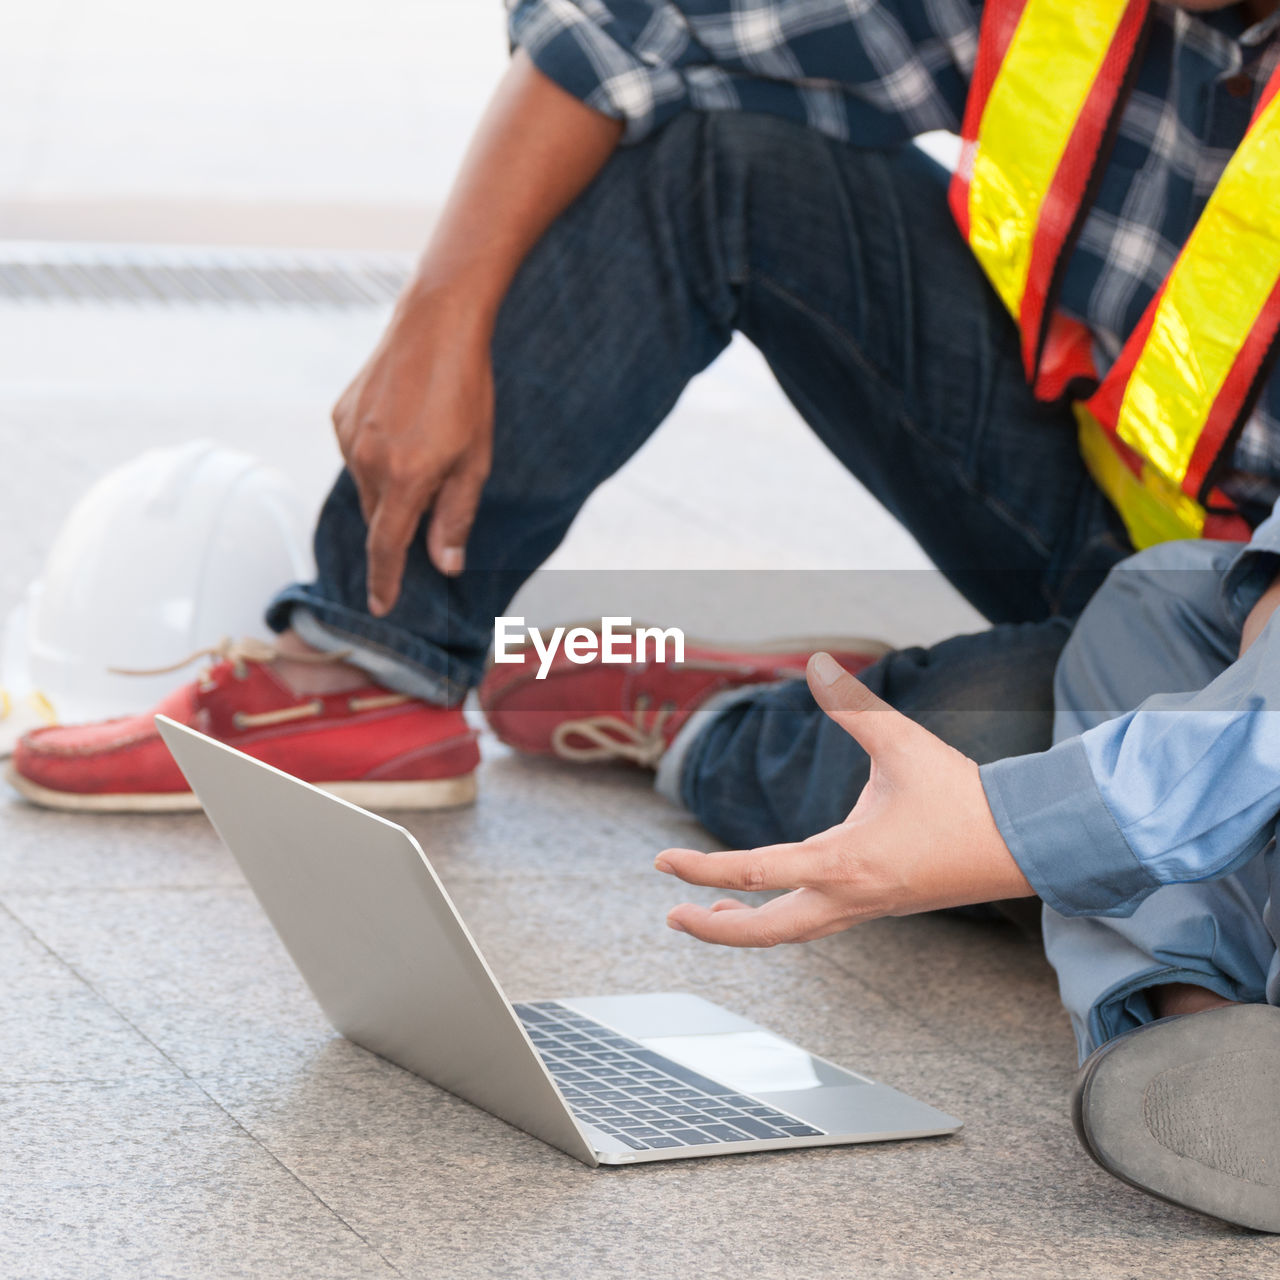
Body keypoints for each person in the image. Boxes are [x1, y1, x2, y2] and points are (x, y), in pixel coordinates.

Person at [8, 0, 1280, 1227]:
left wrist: (1030, 828)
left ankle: (731, 715)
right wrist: (437, 317)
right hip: (1157, 571)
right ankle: (371, 656)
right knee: (725, 151)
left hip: (1218, 653)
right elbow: (630, 25)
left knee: (954, 755)